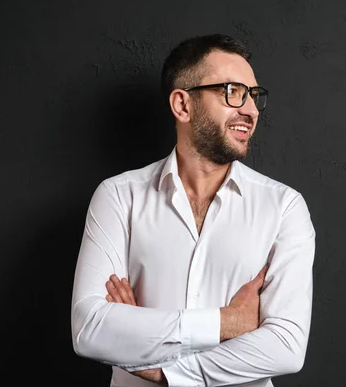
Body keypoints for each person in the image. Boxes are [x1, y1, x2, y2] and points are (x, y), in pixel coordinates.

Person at [71, 33, 316, 387]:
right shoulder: (118, 197)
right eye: (232, 92)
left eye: (253, 96)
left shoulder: (284, 208)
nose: (249, 110)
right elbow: (90, 329)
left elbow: (286, 346)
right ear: (183, 105)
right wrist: (225, 323)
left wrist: (161, 365)